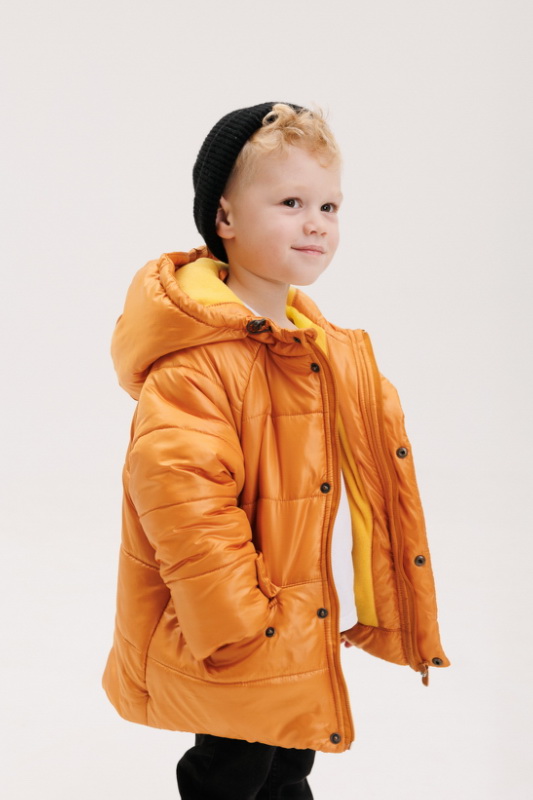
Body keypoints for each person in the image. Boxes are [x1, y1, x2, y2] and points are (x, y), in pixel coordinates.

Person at [102, 101, 450, 799]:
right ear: (224, 217)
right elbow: (182, 499)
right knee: (232, 770)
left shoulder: (319, 349)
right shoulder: (198, 362)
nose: (315, 222)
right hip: (241, 628)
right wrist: (241, 626)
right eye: (290, 202)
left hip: (298, 615)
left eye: (328, 206)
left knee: (288, 767)